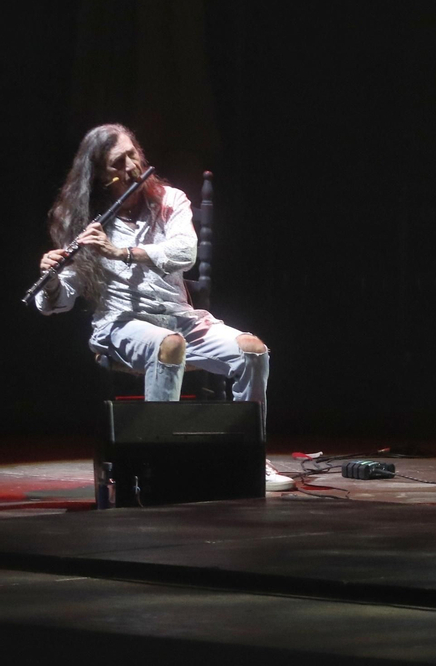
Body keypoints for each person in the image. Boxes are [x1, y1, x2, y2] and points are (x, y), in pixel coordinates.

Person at [32, 124, 292, 491]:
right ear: (100, 176)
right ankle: (161, 462)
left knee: (253, 351)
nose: (131, 166)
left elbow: (185, 254)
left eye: (133, 154)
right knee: (169, 344)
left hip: (180, 319)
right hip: (121, 324)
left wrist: (123, 252)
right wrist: (53, 279)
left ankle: (250, 458)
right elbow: (59, 301)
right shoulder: (87, 223)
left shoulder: (171, 200)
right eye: (117, 163)